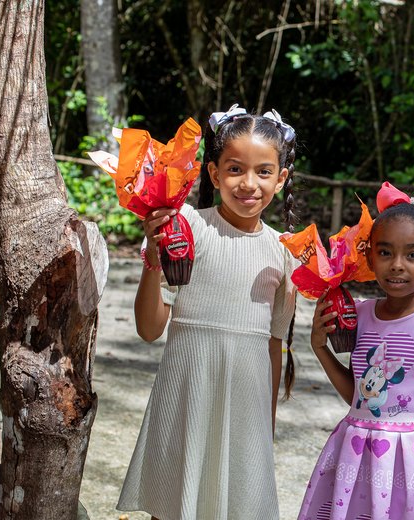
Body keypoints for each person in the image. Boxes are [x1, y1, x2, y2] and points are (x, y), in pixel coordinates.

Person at [117, 105, 299, 520]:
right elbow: (149, 329)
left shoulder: (285, 254)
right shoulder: (186, 226)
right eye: (235, 169)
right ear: (214, 174)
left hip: (244, 408)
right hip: (185, 393)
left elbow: (274, 346)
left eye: (264, 172)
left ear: (281, 178)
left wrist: (263, 433)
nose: (248, 183)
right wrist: (153, 258)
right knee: (171, 502)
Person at [299, 182, 414, 520]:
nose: (397, 265)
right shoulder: (361, 314)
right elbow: (361, 397)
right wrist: (320, 350)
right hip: (356, 459)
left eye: (413, 254)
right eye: (385, 252)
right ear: (369, 257)